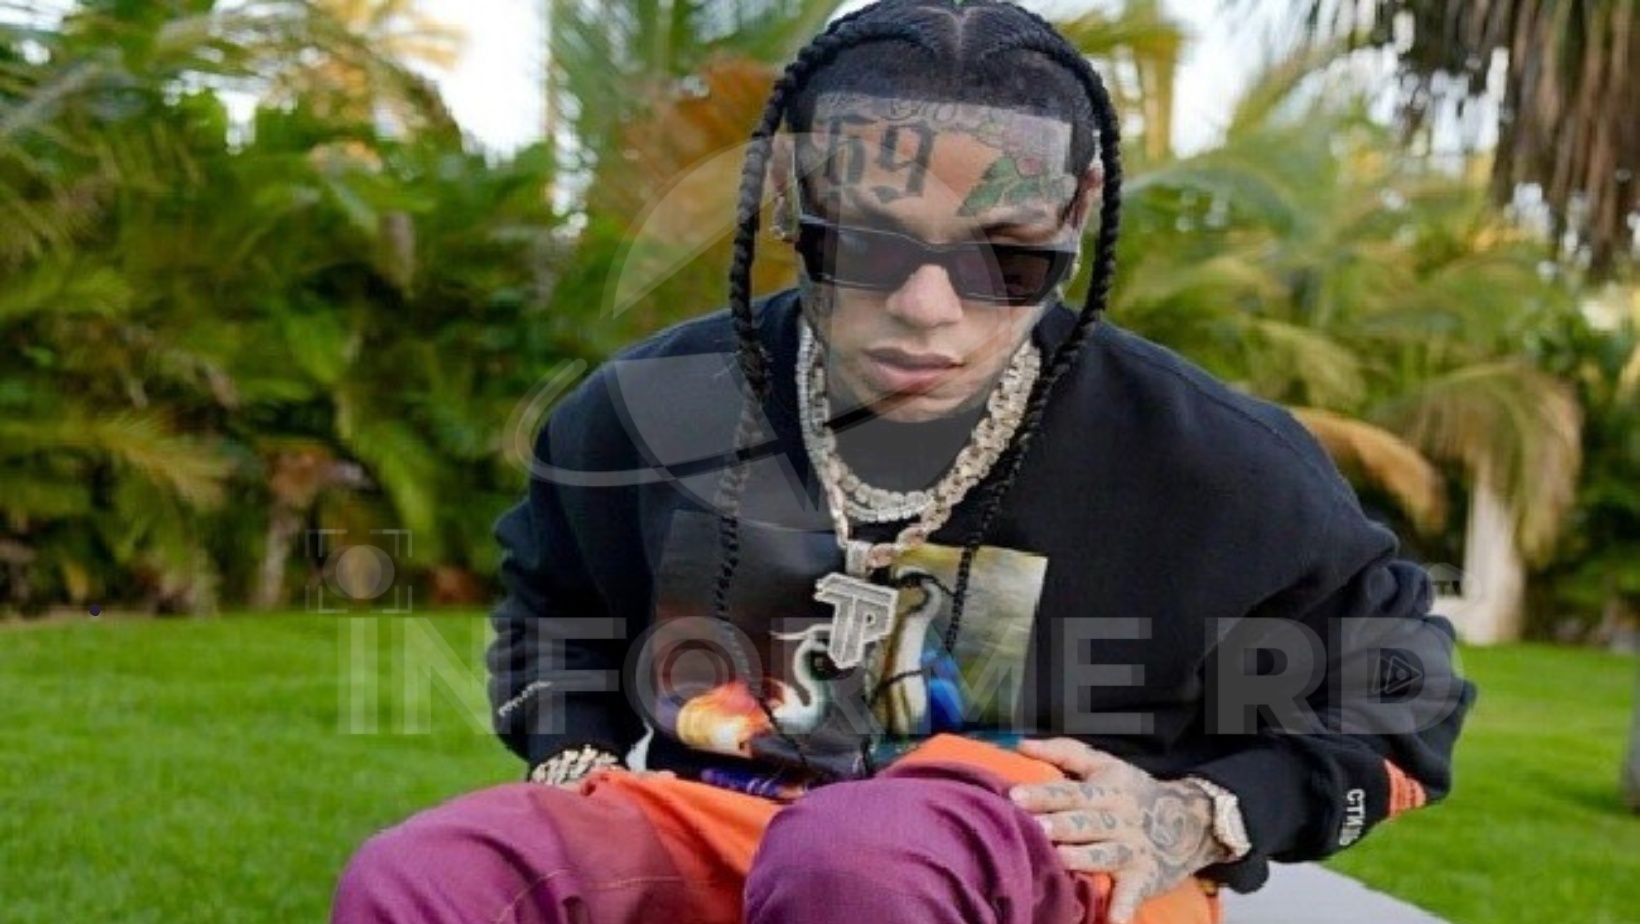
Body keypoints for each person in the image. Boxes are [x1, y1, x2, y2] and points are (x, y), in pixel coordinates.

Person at [331, 2, 1475, 923]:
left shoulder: (1207, 462)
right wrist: (572, 752)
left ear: (1078, 214)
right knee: (428, 878)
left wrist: (1202, 812)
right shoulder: (649, 411)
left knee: (858, 861)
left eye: (1008, 260)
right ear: (791, 198)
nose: (928, 308)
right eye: (866, 245)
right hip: (728, 820)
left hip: (1048, 862)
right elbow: (553, 607)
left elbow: (1403, 693)